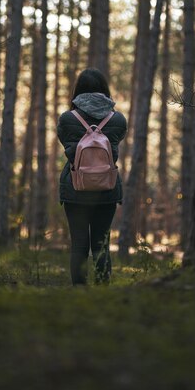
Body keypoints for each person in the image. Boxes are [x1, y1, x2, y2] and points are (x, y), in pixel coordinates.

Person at [57, 67, 127, 286]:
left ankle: (79, 290)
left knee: (79, 244)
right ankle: (102, 291)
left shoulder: (67, 118)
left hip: (75, 187)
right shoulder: (118, 119)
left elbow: (66, 144)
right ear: (104, 90)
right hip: (107, 189)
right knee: (101, 243)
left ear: (78, 90)